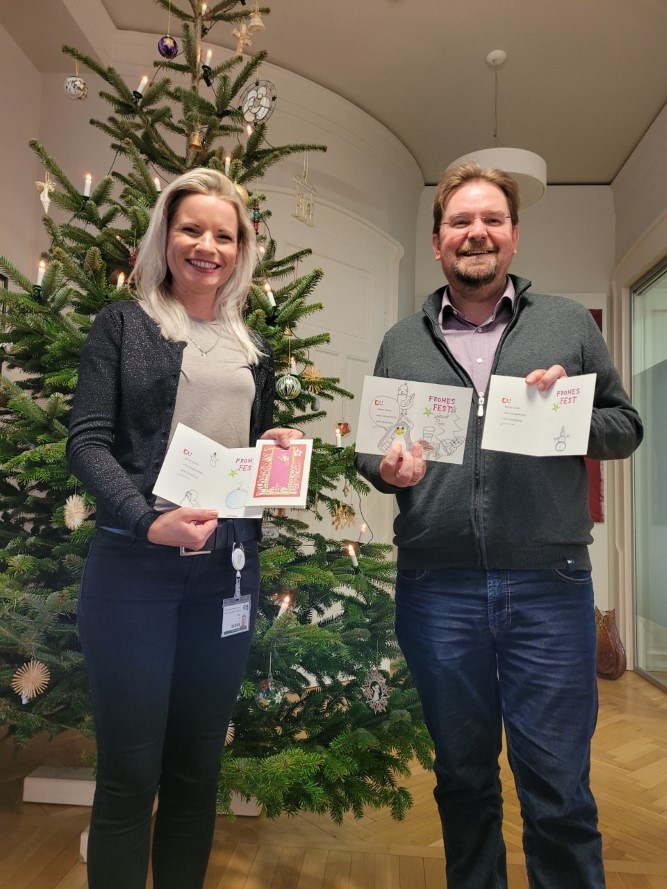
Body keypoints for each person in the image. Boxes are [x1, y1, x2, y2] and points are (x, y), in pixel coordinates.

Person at [355, 162, 643, 889]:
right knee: (461, 779)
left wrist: (566, 413)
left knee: (559, 789)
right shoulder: (402, 340)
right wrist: (385, 468)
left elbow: (625, 426)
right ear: (437, 242)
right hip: (436, 589)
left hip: (549, 587)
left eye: (491, 220)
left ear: (514, 236)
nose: (476, 232)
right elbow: (372, 450)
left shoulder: (566, 324)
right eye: (460, 221)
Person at [67, 167, 301, 889]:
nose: (207, 246)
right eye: (191, 229)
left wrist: (274, 446)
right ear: (165, 237)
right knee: (130, 775)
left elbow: (244, 450)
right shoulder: (124, 325)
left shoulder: (251, 346)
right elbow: (87, 442)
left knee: (198, 774)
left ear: (241, 249)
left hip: (227, 571)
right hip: (134, 569)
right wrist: (147, 521)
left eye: (223, 235)